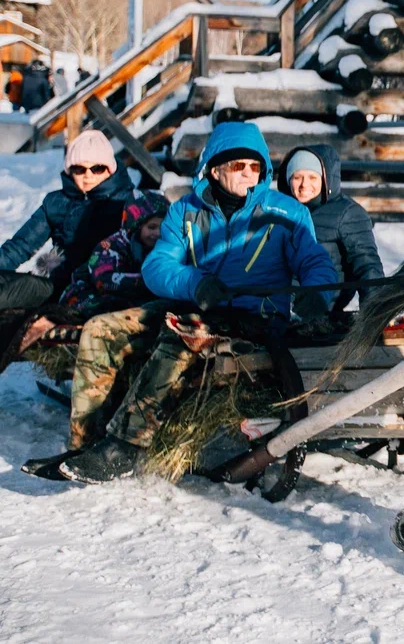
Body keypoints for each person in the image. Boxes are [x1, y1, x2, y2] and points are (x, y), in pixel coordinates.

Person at [55, 122, 339, 484]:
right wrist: (195, 282)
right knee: (100, 329)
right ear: (216, 169)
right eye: (239, 166)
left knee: (180, 335)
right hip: (196, 301)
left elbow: (315, 262)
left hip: (254, 316)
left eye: (256, 167)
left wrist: (318, 293)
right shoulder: (184, 211)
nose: (250, 174)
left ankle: (125, 446)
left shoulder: (286, 213)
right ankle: (84, 446)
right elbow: (157, 266)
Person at [0, 130, 134, 311]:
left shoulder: (127, 202)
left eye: (97, 168)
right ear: (70, 171)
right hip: (57, 282)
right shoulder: (56, 203)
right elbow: (20, 246)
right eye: (80, 169)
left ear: (109, 170)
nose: (88, 175)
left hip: (101, 283)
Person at [277, 145, 384, 316]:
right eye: (297, 177)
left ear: (326, 179)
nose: (304, 184)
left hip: (323, 311)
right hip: (277, 308)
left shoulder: (347, 213)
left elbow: (366, 264)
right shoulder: (279, 210)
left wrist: (374, 313)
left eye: (313, 177)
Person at [57, 191, 168, 318]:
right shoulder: (112, 246)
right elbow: (103, 280)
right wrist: (150, 280)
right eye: (151, 227)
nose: (158, 233)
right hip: (87, 294)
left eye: (163, 227)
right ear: (137, 226)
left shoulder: (165, 247)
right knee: (110, 306)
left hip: (130, 295)